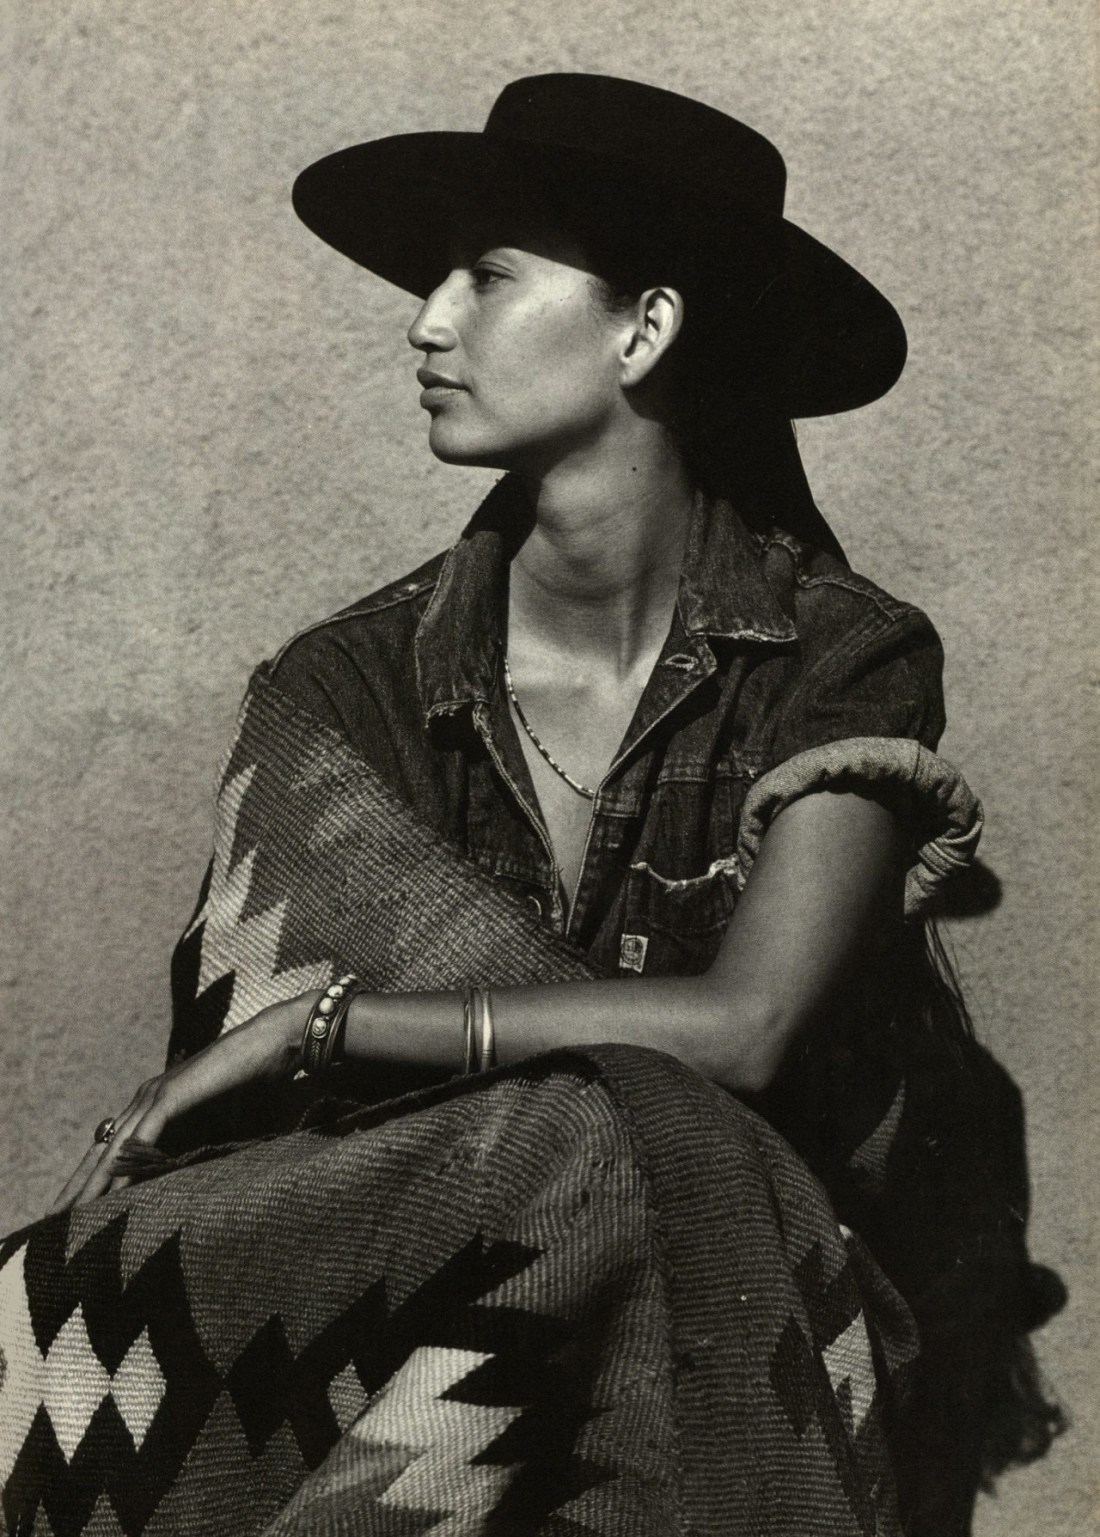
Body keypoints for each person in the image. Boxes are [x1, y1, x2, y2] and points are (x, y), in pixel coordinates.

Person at [1, 74, 1060, 1537]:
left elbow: (749, 1031)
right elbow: (244, 1157)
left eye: (488, 276)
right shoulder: (346, 688)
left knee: (619, 1145)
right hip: (405, 1336)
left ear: (646, 328)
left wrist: (331, 1025)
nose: (428, 322)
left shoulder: (838, 660)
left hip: (740, 1338)